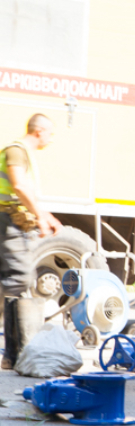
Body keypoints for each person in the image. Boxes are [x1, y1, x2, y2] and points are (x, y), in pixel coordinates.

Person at [0, 114, 62, 369]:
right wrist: (41, 216)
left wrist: (45, 217)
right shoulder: (17, 150)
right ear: (40, 131)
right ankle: (19, 352)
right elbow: (19, 186)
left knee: (14, 281)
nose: (51, 138)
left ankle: (12, 356)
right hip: (6, 220)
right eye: (51, 133)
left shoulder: (23, 152)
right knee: (20, 279)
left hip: (13, 222)